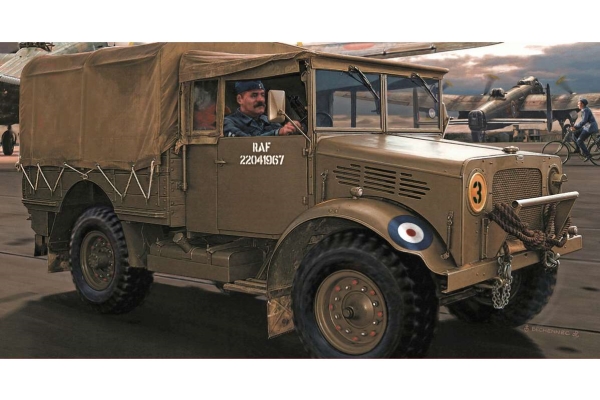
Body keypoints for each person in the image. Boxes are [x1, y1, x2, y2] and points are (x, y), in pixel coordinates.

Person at [224, 80, 300, 137]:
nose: (261, 99)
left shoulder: (268, 120)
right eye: (254, 95)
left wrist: (291, 128)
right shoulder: (228, 122)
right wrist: (277, 133)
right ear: (239, 99)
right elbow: (246, 144)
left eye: (263, 95)